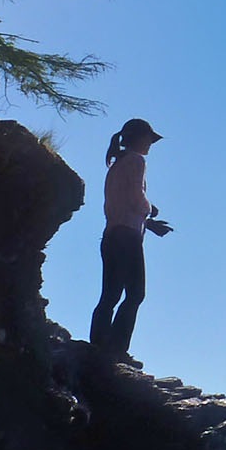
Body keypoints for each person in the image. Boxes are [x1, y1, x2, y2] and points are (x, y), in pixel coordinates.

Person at [89, 117, 172, 358]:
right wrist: (150, 210)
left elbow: (119, 203)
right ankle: (116, 349)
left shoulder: (116, 165)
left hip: (111, 235)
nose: (150, 144)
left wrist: (148, 222)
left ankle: (99, 344)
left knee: (110, 294)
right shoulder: (136, 160)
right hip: (127, 238)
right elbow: (136, 197)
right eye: (149, 139)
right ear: (139, 138)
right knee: (135, 294)